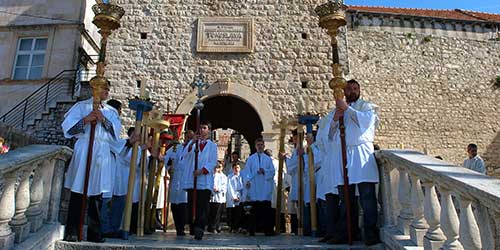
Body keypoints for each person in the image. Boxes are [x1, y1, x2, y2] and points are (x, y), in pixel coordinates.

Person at [320, 79, 380, 246]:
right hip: (344, 157)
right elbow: (329, 137)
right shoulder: (338, 111)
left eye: (355, 88)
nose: (352, 91)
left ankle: (370, 233)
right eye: (349, 89)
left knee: (367, 197)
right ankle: (347, 233)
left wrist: (347, 109)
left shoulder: (366, 106)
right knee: (346, 198)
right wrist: (335, 120)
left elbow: (366, 122)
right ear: (344, 92)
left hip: (362, 155)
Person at [61, 84, 122, 243]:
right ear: (95, 89)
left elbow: (115, 134)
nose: (106, 92)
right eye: (103, 89)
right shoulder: (81, 106)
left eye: (108, 89)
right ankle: (73, 231)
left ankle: (95, 232)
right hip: (85, 146)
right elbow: (68, 129)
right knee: (78, 191)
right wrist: (86, 119)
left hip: (102, 150)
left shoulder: (111, 111)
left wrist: (103, 119)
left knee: (97, 194)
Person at [181, 121, 218, 240]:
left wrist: (202, 170)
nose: (202, 130)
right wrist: (192, 142)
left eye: (204, 128)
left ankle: (200, 228)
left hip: (204, 180)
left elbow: (213, 162)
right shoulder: (193, 144)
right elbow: (184, 156)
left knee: (202, 206)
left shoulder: (212, 146)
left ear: (209, 130)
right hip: (193, 180)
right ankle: (193, 227)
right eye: (200, 128)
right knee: (192, 205)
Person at [243, 137, 276, 236]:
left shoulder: (268, 159)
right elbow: (246, 172)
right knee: (254, 210)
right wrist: (247, 180)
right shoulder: (251, 159)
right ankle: (252, 229)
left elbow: (273, 172)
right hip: (255, 187)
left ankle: (267, 230)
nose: (260, 146)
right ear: (255, 146)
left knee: (266, 209)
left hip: (265, 187)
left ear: (264, 146)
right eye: (258, 145)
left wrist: (265, 171)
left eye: (261, 145)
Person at [165, 130, 194, 236]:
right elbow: (165, 160)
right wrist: (168, 164)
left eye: (191, 138)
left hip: (187, 180)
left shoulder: (194, 151)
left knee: (184, 205)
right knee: (175, 204)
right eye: (187, 137)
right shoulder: (176, 148)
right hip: (176, 178)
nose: (189, 140)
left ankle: (182, 228)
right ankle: (178, 227)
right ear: (184, 137)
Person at [207, 161, 227, 233]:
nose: (216, 169)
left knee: (217, 213)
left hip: (218, 197)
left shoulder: (223, 177)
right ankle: (210, 226)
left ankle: (215, 226)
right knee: (210, 213)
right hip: (211, 196)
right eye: (215, 167)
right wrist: (212, 190)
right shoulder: (210, 175)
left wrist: (218, 189)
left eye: (218, 167)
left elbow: (224, 186)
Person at [226, 163, 244, 233]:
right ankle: (232, 227)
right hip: (232, 196)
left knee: (239, 212)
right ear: (233, 169)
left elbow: (242, 188)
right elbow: (230, 188)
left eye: (238, 168)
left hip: (239, 195)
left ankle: (238, 226)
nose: (236, 169)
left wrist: (240, 197)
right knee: (232, 212)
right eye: (235, 168)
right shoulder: (230, 177)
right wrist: (234, 197)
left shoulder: (241, 177)